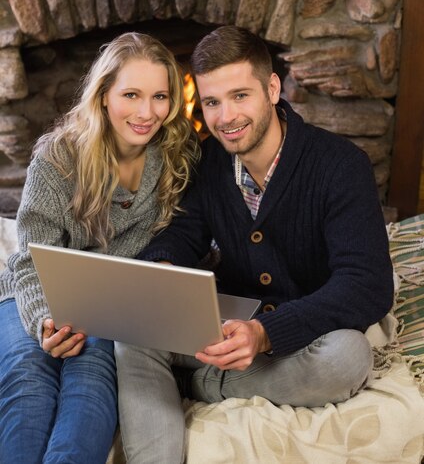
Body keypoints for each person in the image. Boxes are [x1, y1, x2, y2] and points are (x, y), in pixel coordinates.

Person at [115, 25, 395, 464]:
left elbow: (367, 285)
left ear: (272, 87)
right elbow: (183, 233)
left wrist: (265, 333)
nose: (226, 117)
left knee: (348, 358)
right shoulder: (209, 162)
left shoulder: (341, 165)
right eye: (211, 102)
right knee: (132, 335)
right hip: (224, 325)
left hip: (302, 331)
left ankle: (198, 385)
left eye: (240, 96)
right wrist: (164, 267)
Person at [0, 32, 200, 464]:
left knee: (91, 385)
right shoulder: (59, 157)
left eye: (160, 96)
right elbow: (30, 258)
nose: (147, 113)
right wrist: (44, 323)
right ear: (104, 95)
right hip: (35, 295)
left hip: (111, 305)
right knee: (28, 378)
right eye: (131, 94)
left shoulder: (179, 156)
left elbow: (193, 237)